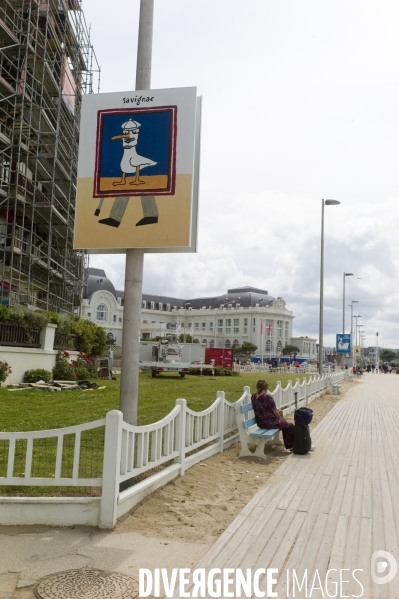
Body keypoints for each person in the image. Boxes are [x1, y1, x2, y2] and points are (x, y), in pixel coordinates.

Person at [251, 379, 295, 450]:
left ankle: (290, 445)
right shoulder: (268, 397)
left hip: (260, 423)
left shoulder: (253, 397)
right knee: (289, 426)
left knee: (284, 424)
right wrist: (280, 418)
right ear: (266, 387)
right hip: (269, 423)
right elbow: (275, 412)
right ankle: (291, 446)